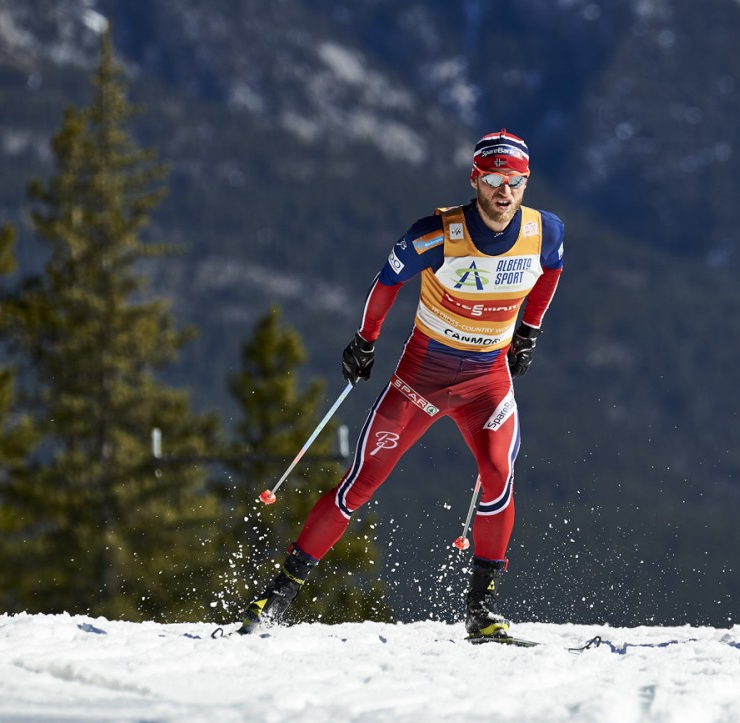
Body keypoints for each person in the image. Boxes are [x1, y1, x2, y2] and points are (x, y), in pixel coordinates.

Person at [238, 129, 565, 639]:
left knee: (499, 473)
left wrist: (529, 330)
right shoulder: (435, 234)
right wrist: (365, 341)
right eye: (496, 179)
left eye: (516, 181)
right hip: (421, 381)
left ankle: (480, 613)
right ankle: (275, 596)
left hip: (487, 383)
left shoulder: (544, 231)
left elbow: (552, 270)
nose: (505, 191)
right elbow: (386, 282)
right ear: (476, 179)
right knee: (359, 485)